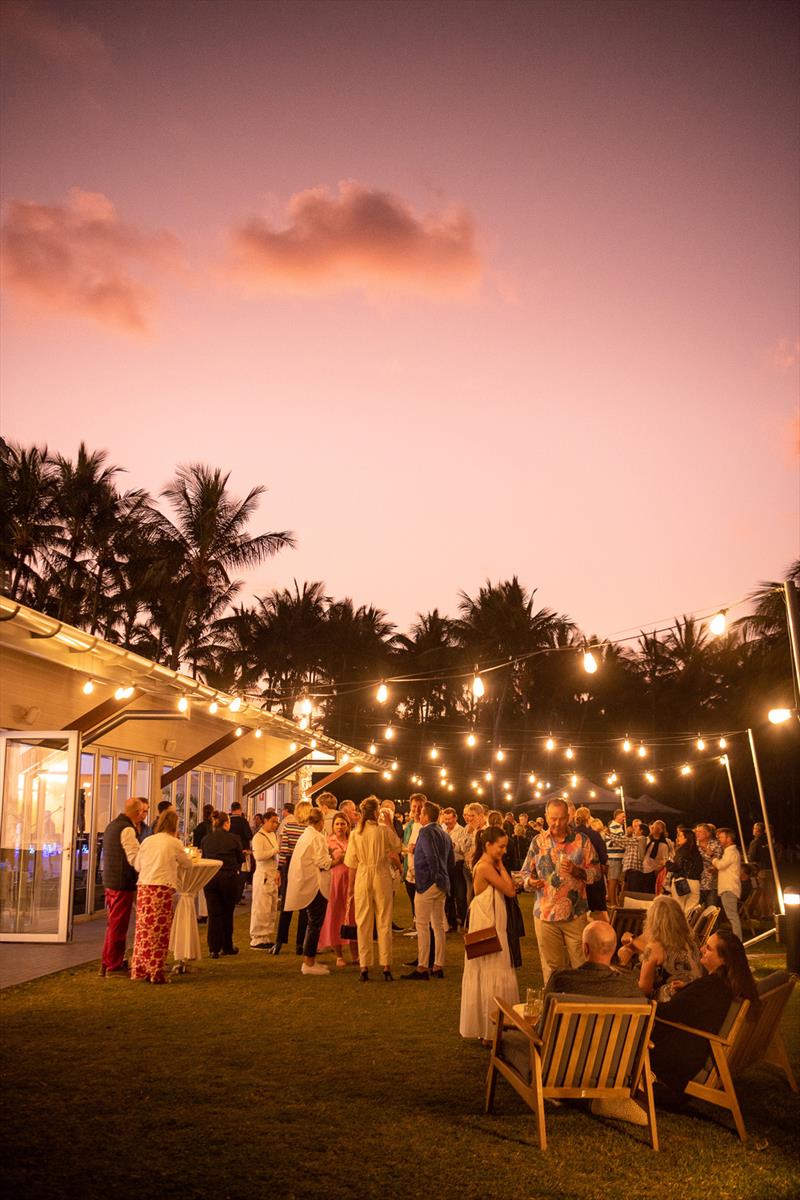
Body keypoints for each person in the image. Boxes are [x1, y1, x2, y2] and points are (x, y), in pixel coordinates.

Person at [650, 929, 759, 1105]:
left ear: (724, 960)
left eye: (708, 948)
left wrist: (644, 1003)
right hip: (698, 1049)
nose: (701, 949)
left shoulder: (710, 987)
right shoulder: (729, 984)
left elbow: (668, 1012)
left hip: (682, 1060)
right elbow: (697, 1003)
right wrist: (688, 990)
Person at [521, 797, 599, 983]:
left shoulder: (582, 840)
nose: (557, 823)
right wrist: (530, 882)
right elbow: (524, 873)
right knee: (552, 969)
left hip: (575, 913)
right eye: (553, 818)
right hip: (545, 914)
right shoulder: (537, 842)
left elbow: (597, 873)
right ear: (546, 817)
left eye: (561, 818)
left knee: (581, 966)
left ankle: (581, 1008)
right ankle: (555, 1007)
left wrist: (578, 871)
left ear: (569, 817)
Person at [459, 826, 520, 1044]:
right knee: (493, 973)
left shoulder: (486, 865)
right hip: (490, 927)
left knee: (492, 973)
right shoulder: (485, 867)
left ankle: (492, 1029)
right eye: (501, 847)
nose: (504, 851)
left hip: (493, 924)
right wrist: (502, 866)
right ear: (488, 845)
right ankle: (490, 1031)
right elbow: (510, 889)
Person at [345, 796, 402, 981]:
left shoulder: (356, 833)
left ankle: (364, 966)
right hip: (381, 873)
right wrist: (389, 823)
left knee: (363, 921)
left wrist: (351, 889)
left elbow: (351, 863)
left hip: (363, 875)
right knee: (384, 920)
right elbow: (398, 846)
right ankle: (386, 965)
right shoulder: (383, 830)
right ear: (377, 812)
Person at [130, 810, 187, 984]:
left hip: (144, 888)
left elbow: (138, 865)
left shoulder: (147, 841)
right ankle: (155, 971)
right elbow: (187, 863)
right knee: (159, 932)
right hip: (162, 888)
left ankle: (139, 969)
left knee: (143, 930)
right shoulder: (174, 842)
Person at [403, 800, 453, 981]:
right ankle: (438, 964)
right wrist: (444, 878)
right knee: (438, 925)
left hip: (428, 883)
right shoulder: (444, 833)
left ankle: (423, 966)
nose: (419, 815)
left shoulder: (425, 832)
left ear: (426, 815)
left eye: (421, 813)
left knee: (422, 925)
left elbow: (432, 857)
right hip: (442, 883)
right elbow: (451, 860)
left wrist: (432, 877)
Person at [618, 894, 702, 1001]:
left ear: (653, 921)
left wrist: (624, 965)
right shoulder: (692, 938)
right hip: (696, 997)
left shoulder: (654, 947)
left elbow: (644, 990)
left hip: (669, 1006)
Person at [283, 807, 332, 976]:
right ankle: (309, 962)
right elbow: (322, 862)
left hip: (306, 883)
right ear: (320, 822)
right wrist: (336, 859)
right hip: (315, 885)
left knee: (312, 923)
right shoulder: (317, 837)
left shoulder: (306, 835)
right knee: (315, 924)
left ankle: (310, 959)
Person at [543, 920, 642, 1003]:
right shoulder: (630, 985)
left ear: (586, 948)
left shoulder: (560, 980)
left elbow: (545, 1019)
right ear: (614, 948)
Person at [99, 796, 143, 977]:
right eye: (142, 812)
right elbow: (134, 857)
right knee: (119, 925)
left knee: (113, 924)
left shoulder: (111, 826)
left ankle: (106, 962)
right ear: (138, 812)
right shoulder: (127, 829)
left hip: (110, 880)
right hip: (121, 882)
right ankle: (114, 965)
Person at [200, 811, 245, 958]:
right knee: (227, 913)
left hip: (211, 878)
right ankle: (227, 945)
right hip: (228, 878)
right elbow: (240, 858)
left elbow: (204, 857)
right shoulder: (234, 839)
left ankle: (213, 948)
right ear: (226, 824)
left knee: (214, 914)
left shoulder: (206, 839)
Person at [319, 813, 359, 967]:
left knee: (353, 917)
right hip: (335, 882)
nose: (340, 827)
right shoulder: (328, 842)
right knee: (336, 917)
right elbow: (324, 864)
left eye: (343, 824)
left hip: (352, 882)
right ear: (333, 826)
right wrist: (338, 860)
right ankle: (339, 955)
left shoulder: (353, 840)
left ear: (348, 826)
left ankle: (355, 954)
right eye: (337, 824)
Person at [272, 799, 312, 955]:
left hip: (288, 865)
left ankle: (279, 942)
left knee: (286, 906)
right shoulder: (310, 830)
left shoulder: (288, 827)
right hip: (304, 866)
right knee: (304, 905)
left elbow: (283, 851)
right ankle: (300, 944)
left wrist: (278, 869)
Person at [249, 809, 280, 949]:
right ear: (265, 821)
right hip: (263, 874)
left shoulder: (273, 835)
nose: (275, 825)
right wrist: (275, 850)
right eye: (273, 822)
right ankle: (257, 937)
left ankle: (266, 936)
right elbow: (258, 856)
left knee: (271, 907)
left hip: (272, 874)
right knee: (261, 907)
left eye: (276, 822)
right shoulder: (258, 837)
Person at [575, 806, 608, 919]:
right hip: (592, 876)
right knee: (597, 910)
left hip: (575, 875)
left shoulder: (571, 834)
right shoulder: (594, 835)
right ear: (588, 818)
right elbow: (603, 856)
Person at [712, 827, 743, 939]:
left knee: (732, 916)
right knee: (731, 915)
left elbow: (721, 865)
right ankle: (737, 939)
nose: (719, 839)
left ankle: (738, 940)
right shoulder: (729, 852)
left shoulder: (731, 852)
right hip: (727, 887)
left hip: (729, 888)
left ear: (729, 838)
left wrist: (713, 857)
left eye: (721, 837)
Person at [441, 807, 468, 930]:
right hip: (445, 865)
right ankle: (451, 922)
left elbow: (462, 848)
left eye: (449, 819)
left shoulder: (461, 830)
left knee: (461, 895)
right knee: (448, 896)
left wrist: (452, 845)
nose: (447, 821)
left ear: (455, 818)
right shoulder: (441, 828)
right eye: (445, 819)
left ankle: (463, 921)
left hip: (457, 865)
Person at [666, 826, 703, 914]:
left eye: (680, 836)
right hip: (695, 883)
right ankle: (687, 926)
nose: (678, 838)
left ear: (686, 838)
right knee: (690, 910)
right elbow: (700, 868)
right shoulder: (697, 852)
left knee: (678, 907)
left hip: (681, 881)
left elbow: (676, 867)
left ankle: (678, 927)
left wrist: (667, 863)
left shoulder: (681, 851)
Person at [401, 793, 424, 932]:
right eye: (414, 806)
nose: (417, 809)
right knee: (412, 899)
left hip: (421, 870)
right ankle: (415, 922)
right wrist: (407, 849)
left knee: (421, 900)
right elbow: (402, 845)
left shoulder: (425, 824)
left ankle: (421, 925)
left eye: (419, 806)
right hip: (409, 868)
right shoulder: (409, 826)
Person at [229, 801, 252, 903]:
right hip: (242, 851)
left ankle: (231, 894)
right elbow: (249, 835)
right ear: (239, 810)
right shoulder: (243, 821)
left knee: (232, 872)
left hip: (230, 851)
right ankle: (237, 896)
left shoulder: (228, 821)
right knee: (242, 874)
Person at [641, 820, 671, 893]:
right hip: (644, 868)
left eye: (658, 828)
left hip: (655, 871)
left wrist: (658, 869)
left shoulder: (664, 844)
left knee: (652, 891)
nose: (655, 829)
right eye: (654, 827)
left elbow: (665, 859)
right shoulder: (647, 840)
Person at [695, 822, 721, 906]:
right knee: (696, 909)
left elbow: (719, 861)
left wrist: (709, 854)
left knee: (711, 909)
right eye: (696, 831)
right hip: (696, 882)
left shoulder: (716, 845)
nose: (697, 834)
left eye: (700, 831)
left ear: (708, 834)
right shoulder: (694, 845)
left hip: (712, 883)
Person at [604, 808, 626, 907]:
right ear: (617, 816)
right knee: (613, 880)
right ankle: (612, 903)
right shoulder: (614, 826)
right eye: (623, 816)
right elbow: (614, 841)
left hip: (617, 856)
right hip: (614, 857)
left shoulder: (619, 826)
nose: (624, 818)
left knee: (615, 880)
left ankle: (615, 901)